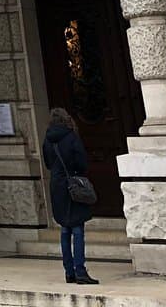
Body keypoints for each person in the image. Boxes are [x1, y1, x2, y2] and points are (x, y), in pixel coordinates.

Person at [42, 107, 98, 285]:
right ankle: (80, 270)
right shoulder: (71, 136)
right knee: (77, 229)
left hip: (56, 185)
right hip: (72, 184)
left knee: (65, 229)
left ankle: (69, 272)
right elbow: (81, 162)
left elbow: (48, 163)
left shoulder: (47, 140)